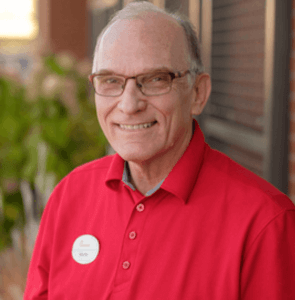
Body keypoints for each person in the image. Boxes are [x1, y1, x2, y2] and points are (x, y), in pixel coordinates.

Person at [24, 2, 295, 299]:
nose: (129, 105)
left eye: (155, 80)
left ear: (197, 94)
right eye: (111, 80)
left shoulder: (265, 223)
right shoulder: (69, 196)